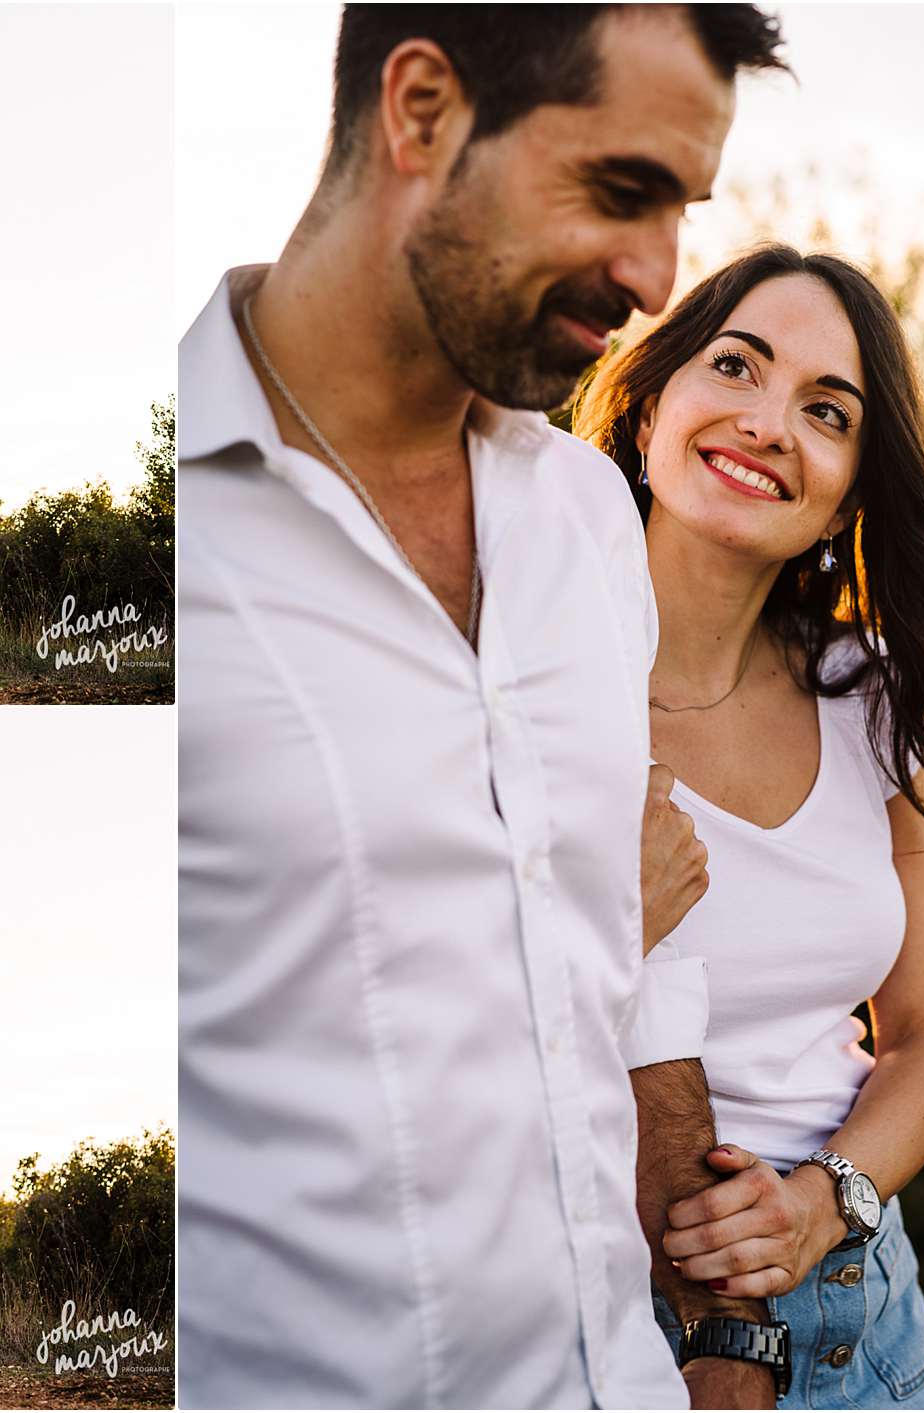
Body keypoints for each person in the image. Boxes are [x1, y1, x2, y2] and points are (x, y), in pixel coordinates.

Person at [177, 5, 790, 1407]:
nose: (658, 277)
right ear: (421, 110)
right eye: (620, 191)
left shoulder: (585, 511)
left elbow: (629, 952)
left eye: (681, 210)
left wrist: (716, 1330)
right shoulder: (165, 552)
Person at [574, 245, 924, 1409]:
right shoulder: (524, 686)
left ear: (845, 490)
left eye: (823, 411)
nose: (767, 421)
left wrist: (823, 1201)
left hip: (861, 1316)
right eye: (734, 365)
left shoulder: (872, 692)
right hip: (617, 1322)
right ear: (647, 413)